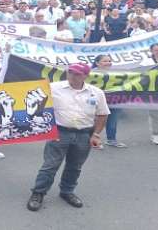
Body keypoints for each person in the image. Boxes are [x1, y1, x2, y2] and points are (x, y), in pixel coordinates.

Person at [26, 63, 109, 212]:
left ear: (85, 76)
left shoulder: (96, 93)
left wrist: (96, 134)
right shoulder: (53, 87)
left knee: (75, 166)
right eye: (70, 72)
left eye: (77, 73)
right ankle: (38, 193)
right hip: (59, 133)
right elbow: (33, 102)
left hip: (84, 134)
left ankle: (67, 192)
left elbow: (102, 114)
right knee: (50, 165)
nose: (72, 75)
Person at [92, 55, 127, 149]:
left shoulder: (117, 73)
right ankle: (92, 140)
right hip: (96, 101)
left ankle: (111, 140)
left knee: (112, 121)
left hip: (114, 100)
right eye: (105, 61)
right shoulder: (91, 74)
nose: (108, 63)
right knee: (95, 121)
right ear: (97, 63)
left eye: (109, 61)